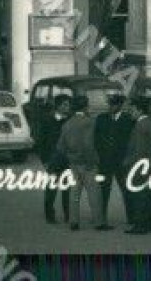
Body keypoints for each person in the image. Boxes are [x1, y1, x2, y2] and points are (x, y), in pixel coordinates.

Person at [55, 95, 105, 231]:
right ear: (86, 106)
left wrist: (71, 156)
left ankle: (74, 222)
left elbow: (60, 146)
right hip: (88, 163)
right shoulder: (90, 122)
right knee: (94, 193)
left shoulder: (67, 124)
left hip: (73, 163)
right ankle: (98, 222)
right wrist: (91, 161)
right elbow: (88, 144)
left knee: (74, 194)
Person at [124, 93, 151, 235]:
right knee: (150, 195)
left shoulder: (141, 125)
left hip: (140, 165)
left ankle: (140, 225)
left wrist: (131, 165)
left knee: (139, 195)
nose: (130, 112)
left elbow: (139, 150)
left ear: (139, 110)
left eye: (132, 109)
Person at [94, 91, 133, 227]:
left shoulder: (128, 119)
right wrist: (98, 156)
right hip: (104, 161)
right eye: (110, 104)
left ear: (120, 105)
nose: (111, 107)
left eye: (114, 105)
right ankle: (101, 219)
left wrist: (128, 159)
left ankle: (131, 218)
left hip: (122, 162)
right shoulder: (101, 118)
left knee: (126, 190)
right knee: (103, 191)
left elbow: (130, 142)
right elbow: (96, 139)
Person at [36, 95, 72, 223]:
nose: (68, 108)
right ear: (58, 106)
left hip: (68, 160)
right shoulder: (48, 120)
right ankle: (49, 215)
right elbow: (41, 142)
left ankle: (68, 215)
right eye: (65, 105)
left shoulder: (70, 120)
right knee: (51, 188)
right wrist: (45, 160)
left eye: (68, 105)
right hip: (53, 160)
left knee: (67, 188)